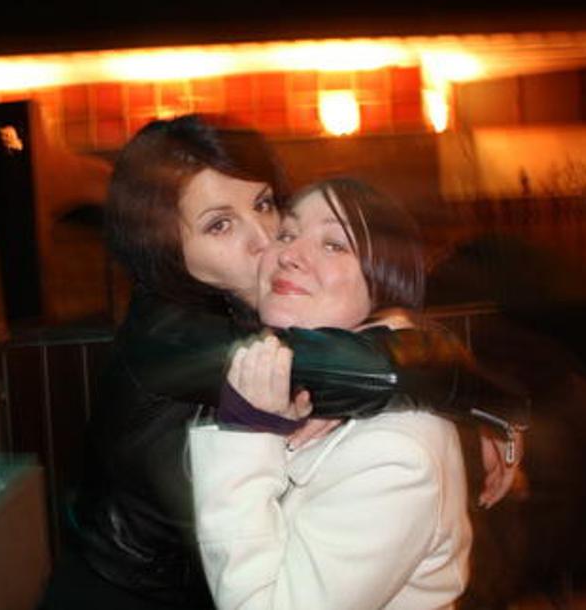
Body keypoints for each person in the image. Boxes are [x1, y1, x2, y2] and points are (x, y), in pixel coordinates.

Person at [42, 115, 525, 609]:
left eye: (264, 205)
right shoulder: (176, 337)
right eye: (220, 225)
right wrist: (478, 396)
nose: (263, 239)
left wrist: (465, 399)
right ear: (168, 249)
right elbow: (374, 370)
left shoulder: (252, 309)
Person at [190, 178, 470, 609]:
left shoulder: (394, 454)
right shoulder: (294, 384)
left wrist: (248, 433)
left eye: (334, 245)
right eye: (287, 234)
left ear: (385, 281)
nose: (289, 254)